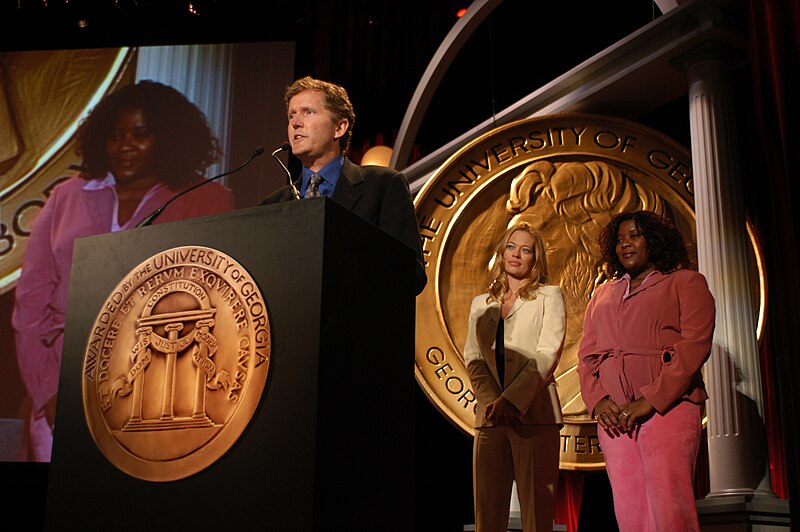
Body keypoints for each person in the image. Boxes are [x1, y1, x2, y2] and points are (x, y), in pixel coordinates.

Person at [12, 80, 235, 462]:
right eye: (115, 135)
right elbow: (30, 305)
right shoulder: (66, 196)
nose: (125, 145)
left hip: (162, 390)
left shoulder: (207, 199)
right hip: (64, 384)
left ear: (167, 137)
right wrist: (48, 392)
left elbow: (218, 305)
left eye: (141, 134)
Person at [577, 210, 716, 531]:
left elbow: (695, 344)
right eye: (620, 239)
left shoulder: (685, 282)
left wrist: (650, 400)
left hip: (668, 409)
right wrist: (598, 401)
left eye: (634, 236)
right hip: (615, 417)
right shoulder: (603, 293)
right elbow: (587, 355)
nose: (625, 244)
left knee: (669, 507)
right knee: (630, 510)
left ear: (654, 241)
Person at [260, 76, 426, 295]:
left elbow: (410, 274)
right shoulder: (271, 205)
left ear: (339, 128)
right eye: (291, 115)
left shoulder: (383, 186)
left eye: (308, 112)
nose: (295, 123)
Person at [463, 221, 566, 532]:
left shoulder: (550, 295)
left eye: (526, 249)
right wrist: (493, 402)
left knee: (537, 514)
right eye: (511, 246)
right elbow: (473, 357)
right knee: (487, 515)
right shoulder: (481, 303)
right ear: (501, 252)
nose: (516, 254)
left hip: (534, 415)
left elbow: (548, 352)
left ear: (536, 258)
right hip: (490, 417)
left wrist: (512, 400)